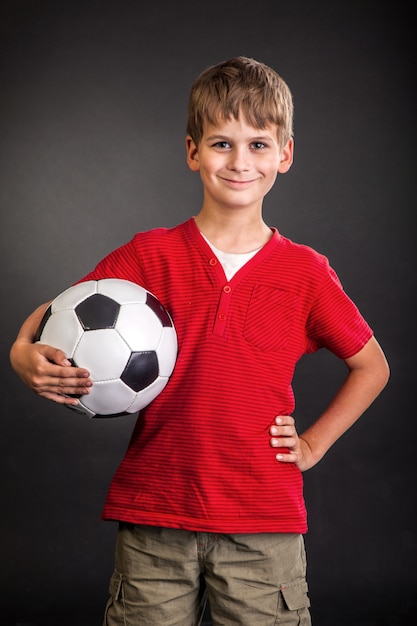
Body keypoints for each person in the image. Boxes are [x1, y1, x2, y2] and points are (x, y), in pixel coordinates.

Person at [10, 56, 389, 626]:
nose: (240, 162)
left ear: (285, 155)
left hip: (263, 523)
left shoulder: (306, 273)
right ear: (192, 152)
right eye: (221, 144)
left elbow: (372, 366)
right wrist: (20, 350)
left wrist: (311, 446)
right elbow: (60, 312)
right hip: (155, 514)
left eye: (259, 145)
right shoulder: (148, 256)